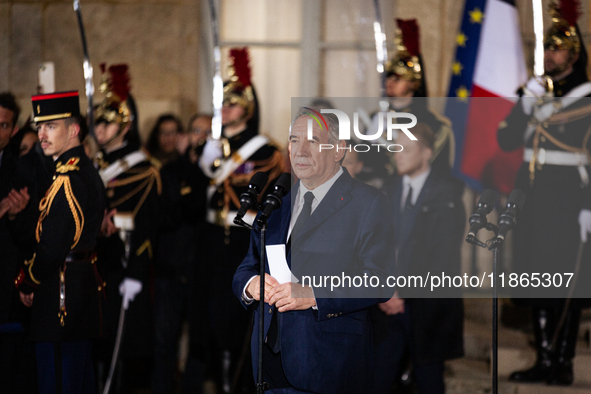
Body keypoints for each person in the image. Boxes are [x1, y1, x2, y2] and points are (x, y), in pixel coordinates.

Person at [232, 107, 394, 393]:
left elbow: (379, 280)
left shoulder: (368, 202)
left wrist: (314, 294)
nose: (300, 150)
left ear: (338, 150)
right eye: (294, 140)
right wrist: (251, 284)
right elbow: (247, 266)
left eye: (313, 141)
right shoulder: (277, 202)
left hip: (328, 361)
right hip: (267, 363)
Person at [497, 0, 591, 386]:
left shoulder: (586, 96)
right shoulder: (533, 91)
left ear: (574, 51)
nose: (549, 55)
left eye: (557, 48)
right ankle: (544, 358)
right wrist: (526, 100)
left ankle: (564, 363)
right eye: (546, 48)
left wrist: (589, 208)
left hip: (569, 198)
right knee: (533, 277)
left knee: (566, 281)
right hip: (532, 197)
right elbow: (506, 140)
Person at [198, 48, 284, 394]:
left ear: (247, 107)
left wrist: (221, 167)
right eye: (223, 103)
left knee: (236, 320)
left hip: (240, 238)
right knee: (208, 317)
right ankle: (214, 378)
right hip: (210, 239)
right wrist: (205, 162)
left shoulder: (264, 150)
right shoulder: (214, 147)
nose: (225, 109)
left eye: (232, 103)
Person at [13, 90, 105, 394]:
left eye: (51, 127)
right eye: (40, 127)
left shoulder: (68, 176)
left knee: (59, 380)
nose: (42, 134)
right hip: (79, 289)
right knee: (78, 379)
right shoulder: (80, 169)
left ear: (74, 129)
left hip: (60, 294)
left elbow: (54, 244)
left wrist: (29, 280)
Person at [373, 123, 465, 394]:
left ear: (426, 153)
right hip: (387, 304)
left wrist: (404, 292)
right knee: (378, 378)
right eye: (396, 149)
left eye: (405, 149)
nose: (398, 155)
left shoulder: (447, 194)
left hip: (427, 304)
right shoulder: (388, 189)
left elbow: (442, 253)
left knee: (428, 380)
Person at [92, 64, 161, 393]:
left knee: (128, 348)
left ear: (124, 123)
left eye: (106, 122)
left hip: (126, 264)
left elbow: (146, 228)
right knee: (100, 344)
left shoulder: (143, 169)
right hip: (97, 265)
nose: (99, 128)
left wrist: (136, 273)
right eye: (97, 121)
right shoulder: (94, 165)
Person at [152, 115, 210, 394]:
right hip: (170, 268)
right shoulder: (172, 170)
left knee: (198, 340)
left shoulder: (215, 171)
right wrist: (189, 163)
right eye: (196, 130)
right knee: (164, 340)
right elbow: (176, 212)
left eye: (207, 132)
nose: (201, 137)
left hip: (201, 270)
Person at [369, 19, 455, 180]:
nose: (390, 82)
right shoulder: (374, 118)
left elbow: (438, 173)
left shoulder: (433, 124)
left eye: (398, 78)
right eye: (388, 77)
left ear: (414, 83)